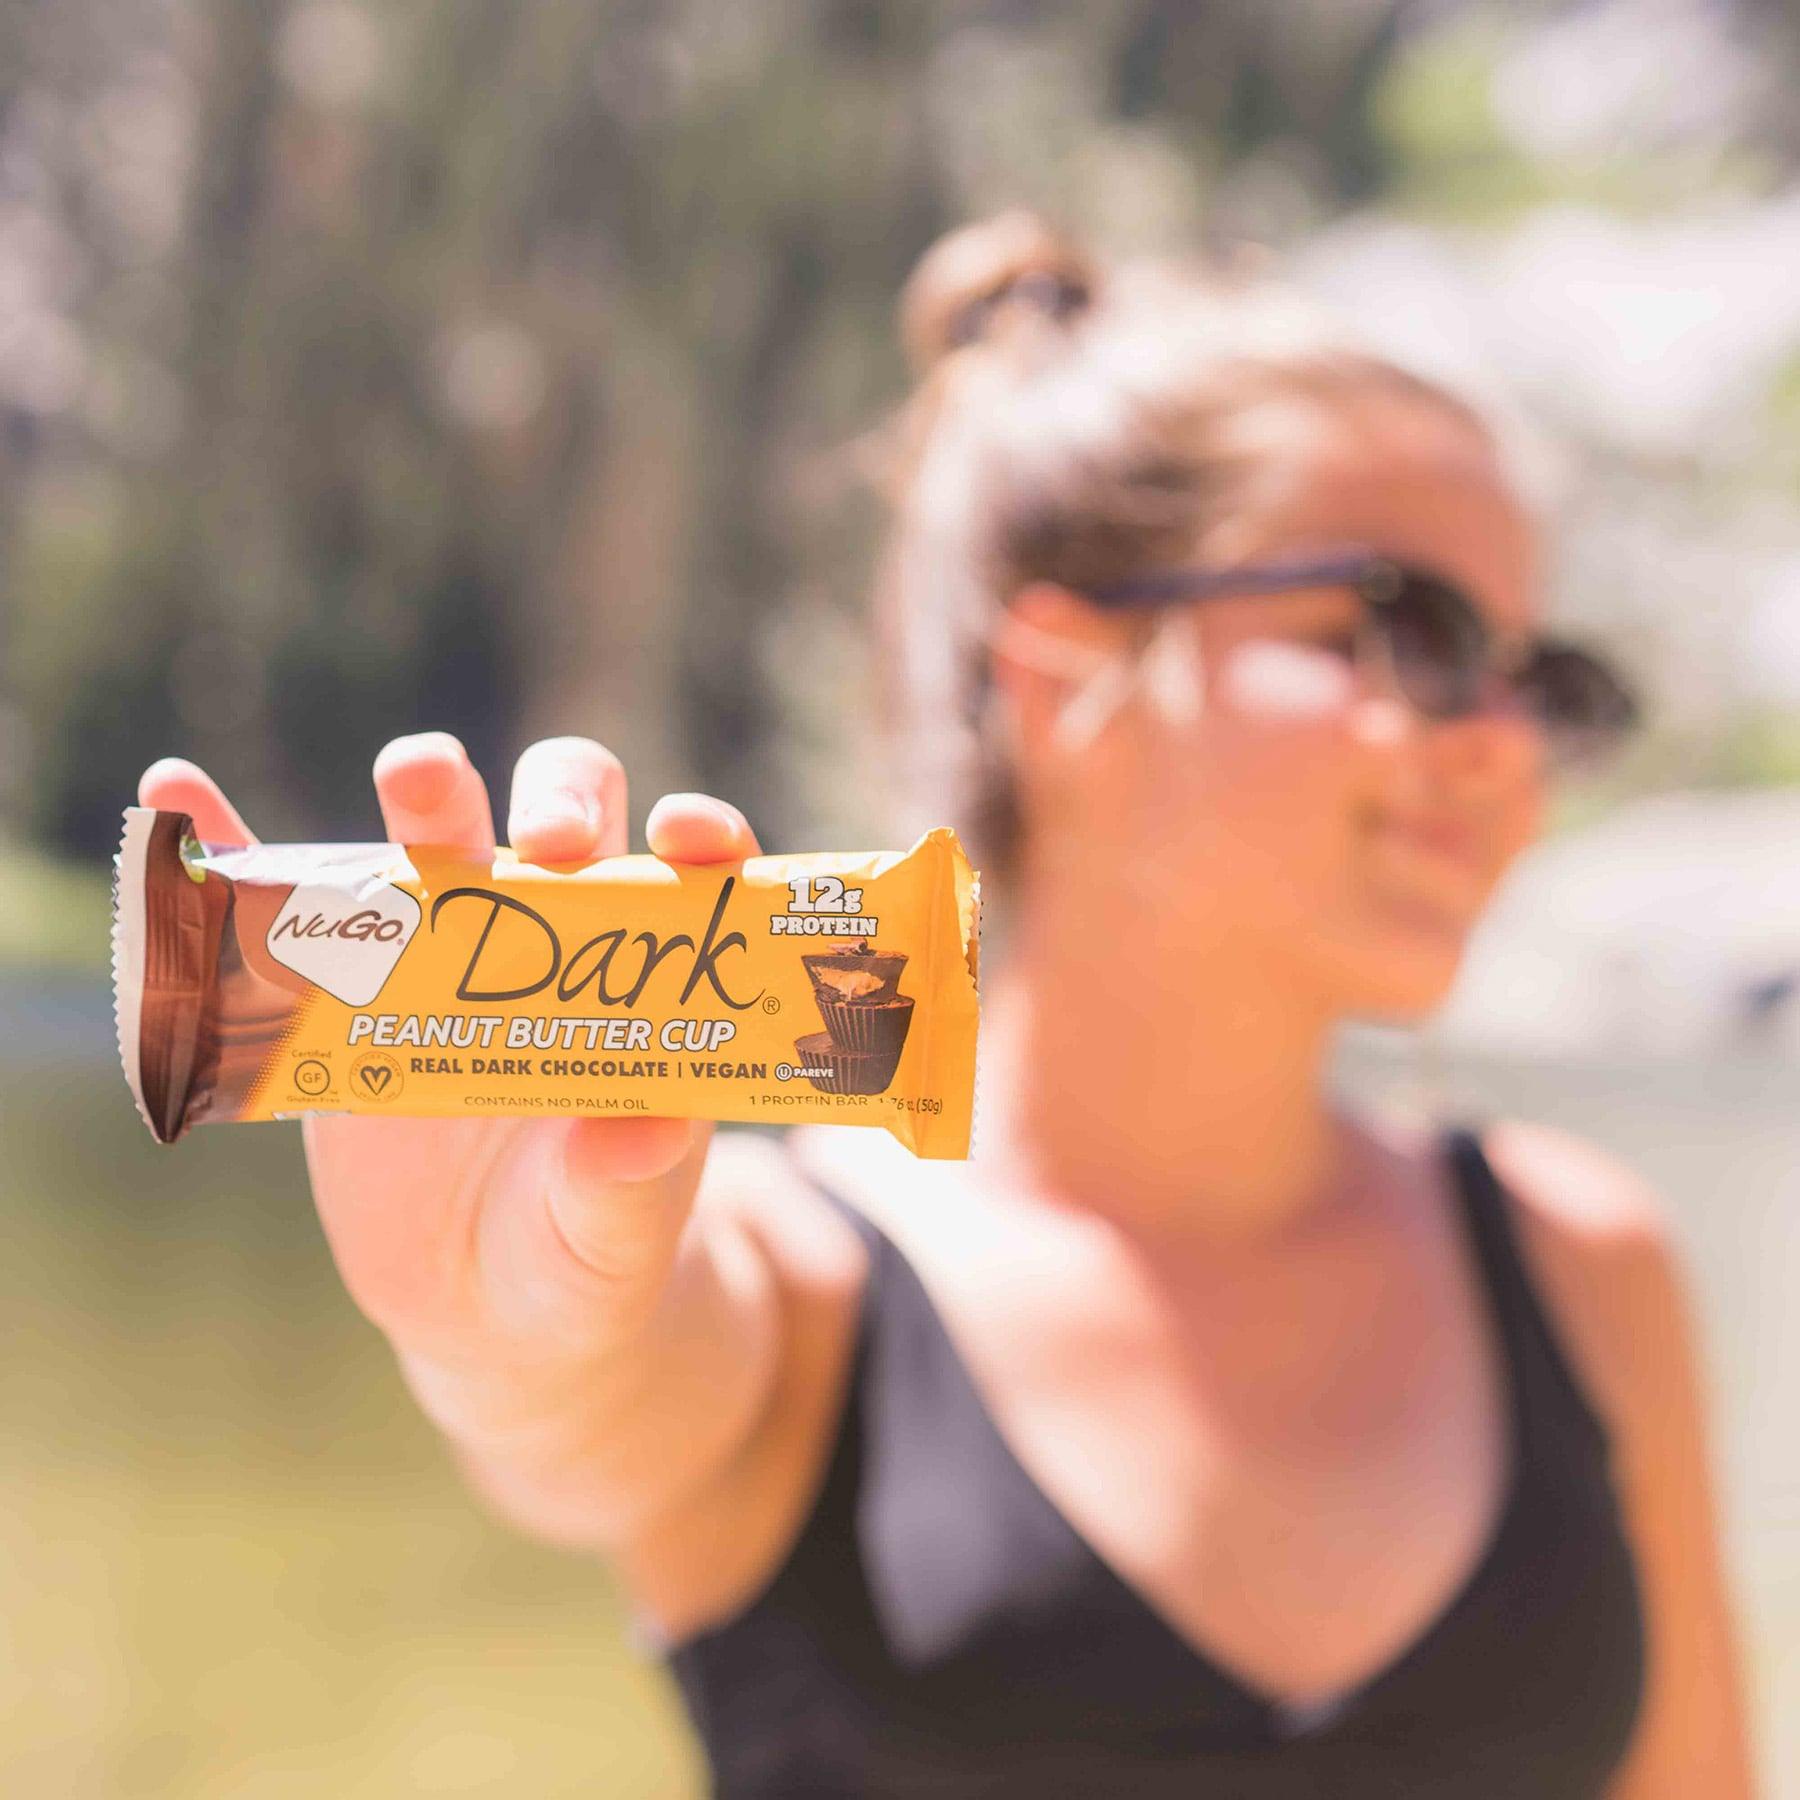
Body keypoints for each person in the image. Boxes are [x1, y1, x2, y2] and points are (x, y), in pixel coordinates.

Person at [138, 210, 1757, 1797]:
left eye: (1545, 685)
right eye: (1410, 634)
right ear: (1067, 689)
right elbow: (591, 1407)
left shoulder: (1576, 1263)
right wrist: (490, 1331)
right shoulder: (802, 1278)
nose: (1499, 744)